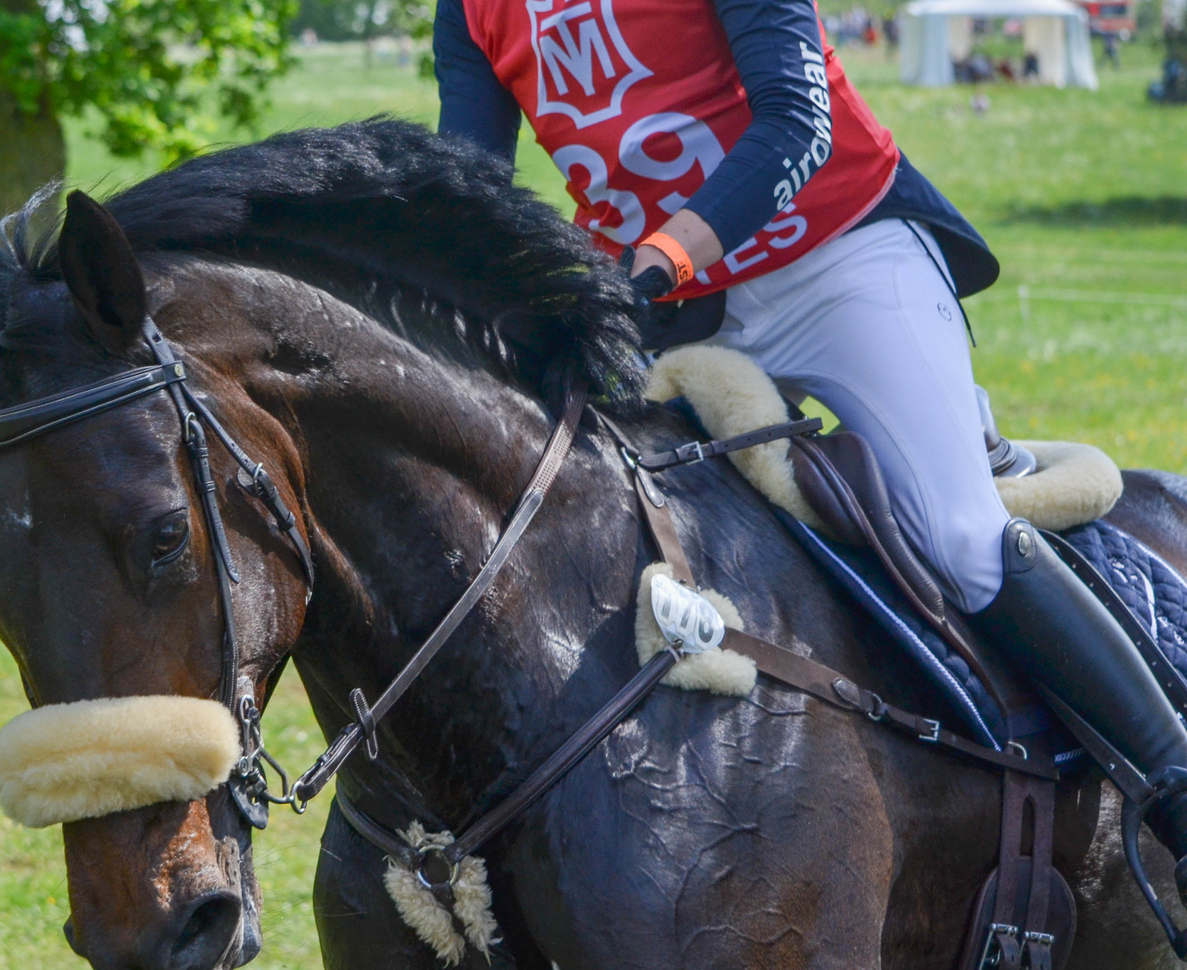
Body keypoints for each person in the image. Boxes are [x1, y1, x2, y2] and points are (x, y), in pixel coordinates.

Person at [433, 0, 1187, 906]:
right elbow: (467, 182)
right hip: (665, 303)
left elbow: (795, 123)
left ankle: (1176, 791)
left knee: (957, 538)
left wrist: (645, 272)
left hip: (840, 257)